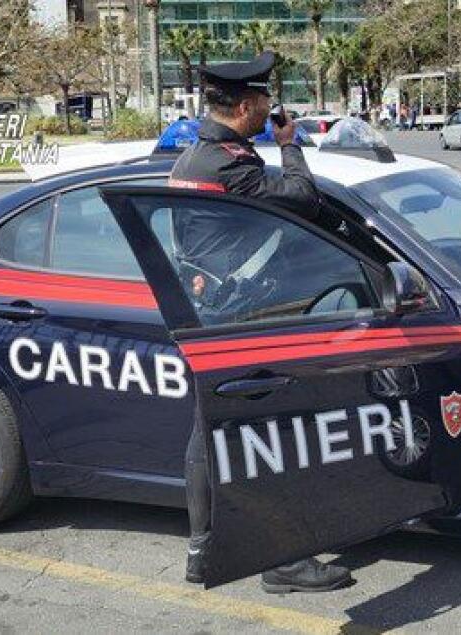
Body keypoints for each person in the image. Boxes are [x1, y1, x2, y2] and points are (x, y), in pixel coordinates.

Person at [168, 50, 354, 594]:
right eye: (266, 99)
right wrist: (290, 143)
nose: (273, 107)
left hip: (220, 314)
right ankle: (281, 559)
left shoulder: (198, 155)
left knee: (212, 431)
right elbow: (301, 196)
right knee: (273, 431)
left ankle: (209, 547)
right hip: (246, 318)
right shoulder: (227, 163)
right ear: (247, 105)